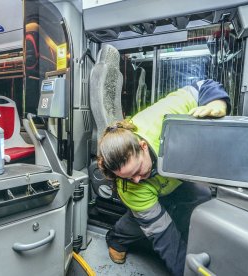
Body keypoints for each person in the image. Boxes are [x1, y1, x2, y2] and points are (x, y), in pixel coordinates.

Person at [97, 79, 231, 276]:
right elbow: (164, 236)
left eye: (137, 171)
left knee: (201, 200)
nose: (136, 180)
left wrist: (218, 102)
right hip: (155, 190)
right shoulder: (132, 188)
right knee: (142, 223)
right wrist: (186, 273)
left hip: (176, 179)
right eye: (127, 177)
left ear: (143, 146)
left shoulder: (161, 118)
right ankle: (116, 239)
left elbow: (202, 85)